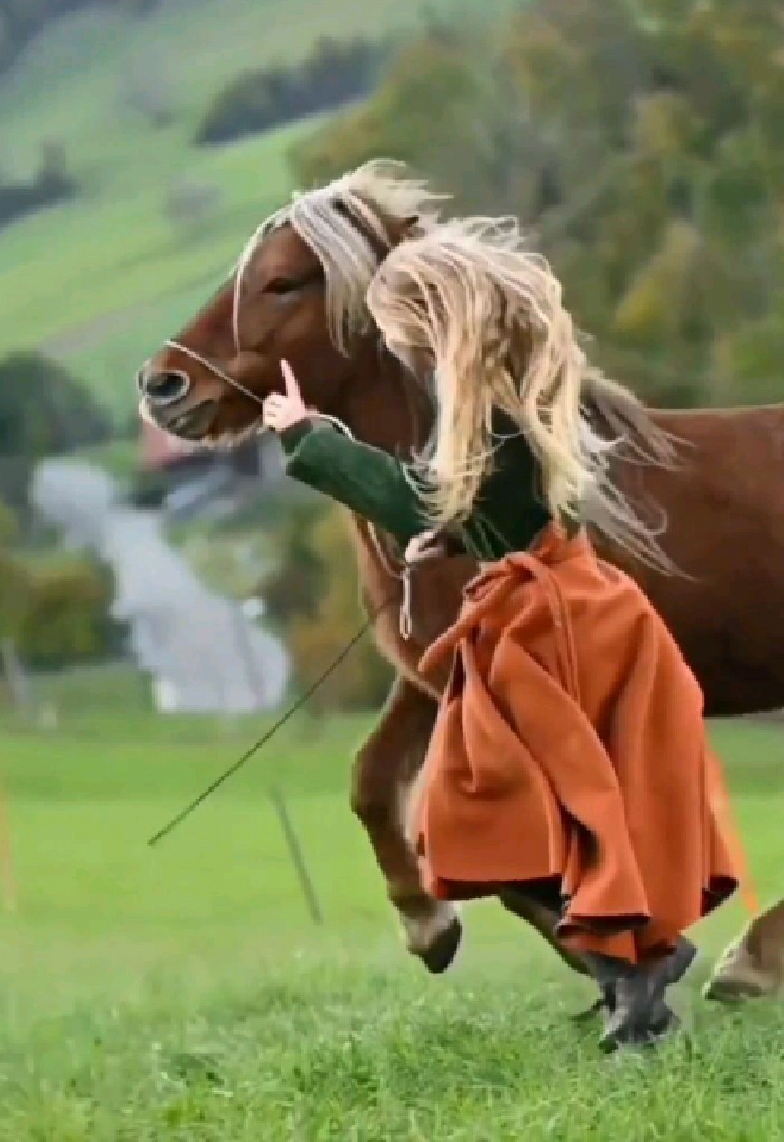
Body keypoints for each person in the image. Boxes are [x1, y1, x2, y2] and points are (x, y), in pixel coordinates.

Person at [262, 216, 741, 1052]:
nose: (395, 347)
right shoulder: (505, 394)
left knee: (468, 815)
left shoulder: (488, 409)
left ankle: (635, 975)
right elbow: (497, 508)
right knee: (536, 821)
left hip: (549, 631)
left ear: (435, 323)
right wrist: (458, 537)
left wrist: (308, 437)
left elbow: (423, 499)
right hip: (557, 610)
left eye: (399, 332)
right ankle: (634, 972)